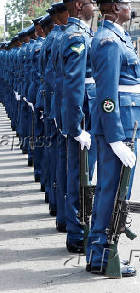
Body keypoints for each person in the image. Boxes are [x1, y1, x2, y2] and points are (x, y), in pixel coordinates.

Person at [87, 0, 138, 277]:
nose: (131, 7)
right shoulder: (108, 41)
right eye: (128, 3)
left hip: (126, 125)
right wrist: (116, 138)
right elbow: (107, 94)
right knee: (112, 192)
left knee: (117, 191)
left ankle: (101, 254)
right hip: (119, 129)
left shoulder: (117, 36)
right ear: (117, 7)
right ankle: (103, 255)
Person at [59, 0, 95, 254]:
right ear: (80, 5)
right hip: (83, 115)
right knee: (80, 174)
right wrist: (75, 127)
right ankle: (78, 234)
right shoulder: (76, 36)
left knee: (81, 173)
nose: (95, 5)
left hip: (85, 111)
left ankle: (79, 229)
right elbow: (73, 85)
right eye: (91, 1)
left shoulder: (79, 33)